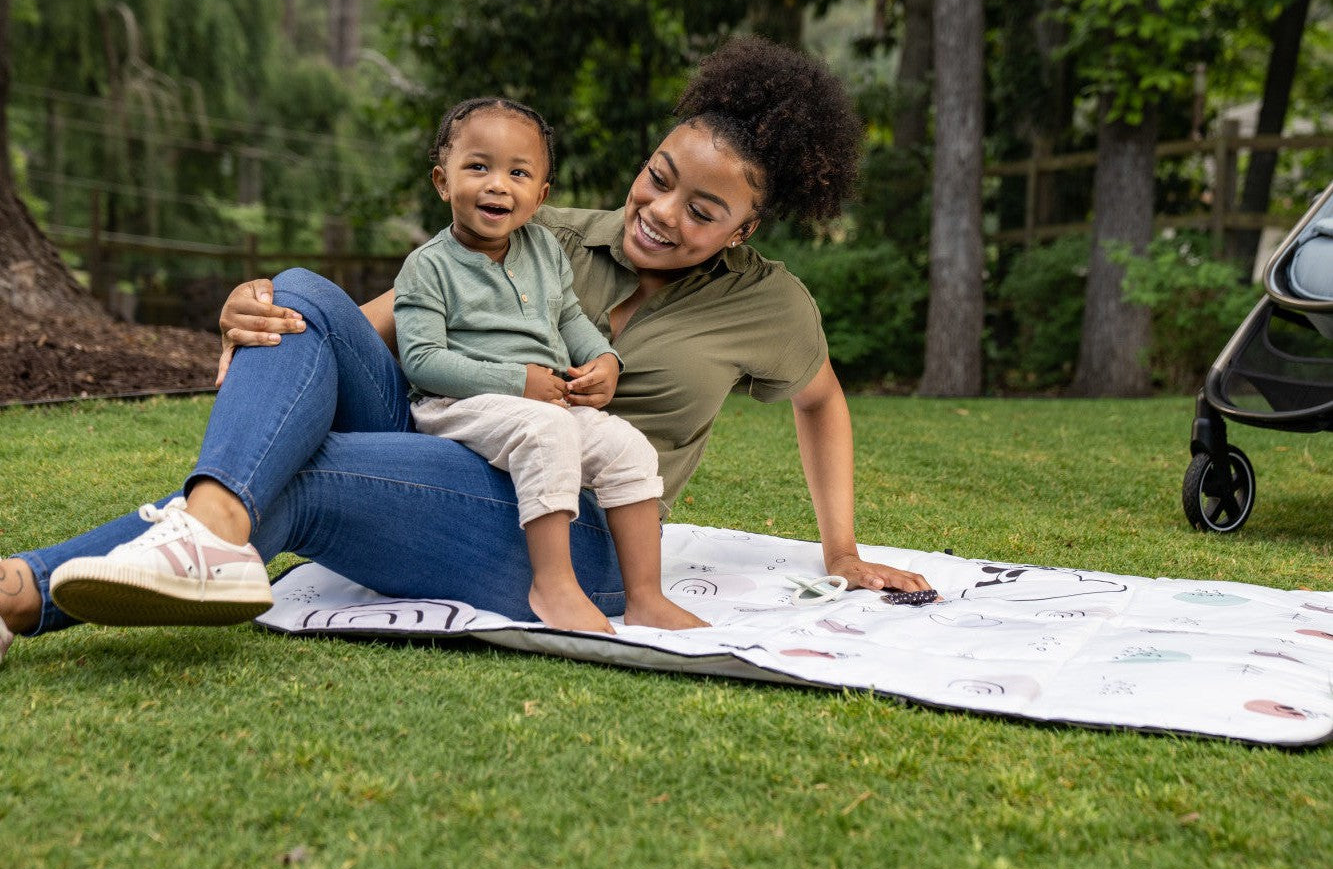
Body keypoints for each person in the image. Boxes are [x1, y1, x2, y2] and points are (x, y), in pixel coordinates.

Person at [0, 35, 931, 662]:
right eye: (658, 177)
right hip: (445, 442)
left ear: (744, 227)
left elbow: (821, 401)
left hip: (578, 534)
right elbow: (380, 319)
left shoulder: (770, 305)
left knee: (310, 474)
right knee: (303, 297)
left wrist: (841, 548)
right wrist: (265, 314)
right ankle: (205, 534)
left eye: (703, 210)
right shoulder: (546, 231)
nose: (660, 212)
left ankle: (19, 591)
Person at [394, 95, 702, 634]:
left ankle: (645, 596)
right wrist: (517, 381)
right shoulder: (428, 266)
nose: (497, 184)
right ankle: (553, 585)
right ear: (443, 182)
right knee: (549, 430)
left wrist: (605, 359)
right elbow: (420, 361)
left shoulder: (545, 251)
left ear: (540, 196)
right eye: (478, 167)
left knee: (627, 445)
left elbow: (571, 320)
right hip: (456, 405)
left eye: (518, 173)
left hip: (544, 404)